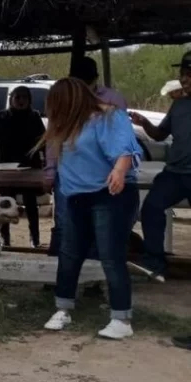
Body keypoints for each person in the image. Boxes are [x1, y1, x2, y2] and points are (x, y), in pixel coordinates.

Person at [37, 78, 141, 340]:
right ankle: (63, 307)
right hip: (75, 196)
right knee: (69, 253)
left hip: (110, 195)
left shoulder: (109, 117)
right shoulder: (65, 125)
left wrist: (119, 171)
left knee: (110, 255)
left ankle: (121, 317)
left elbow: (126, 150)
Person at [46, 57, 129, 255]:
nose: (83, 89)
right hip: (68, 174)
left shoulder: (113, 100)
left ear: (96, 79)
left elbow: (122, 141)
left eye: (87, 84)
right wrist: (50, 171)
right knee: (64, 222)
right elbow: (53, 137)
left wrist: (120, 170)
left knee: (97, 226)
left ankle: (92, 279)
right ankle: (56, 275)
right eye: (78, 83)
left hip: (101, 177)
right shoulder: (64, 98)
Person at [130, 51, 191, 283]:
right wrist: (144, 123)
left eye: (189, 74)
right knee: (151, 209)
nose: (184, 78)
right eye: (183, 73)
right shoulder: (179, 106)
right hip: (174, 174)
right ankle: (155, 263)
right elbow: (159, 135)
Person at [0, 86, 47, 247]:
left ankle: (35, 239)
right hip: (5, 168)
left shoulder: (34, 117)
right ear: (11, 99)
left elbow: (44, 142)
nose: (20, 101)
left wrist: (48, 165)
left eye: (24, 97)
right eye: (17, 97)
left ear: (29, 100)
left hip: (30, 168)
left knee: (31, 205)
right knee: (4, 204)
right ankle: (5, 240)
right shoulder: (2, 116)